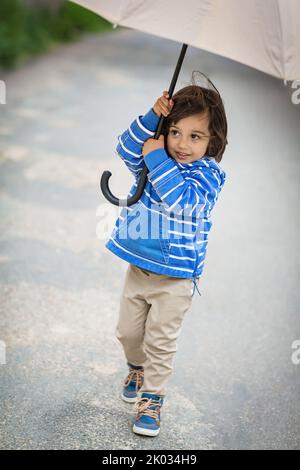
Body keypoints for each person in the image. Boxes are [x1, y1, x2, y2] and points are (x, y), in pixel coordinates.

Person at [105, 72, 228, 437]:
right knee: (128, 334)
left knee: (160, 341)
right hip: (139, 269)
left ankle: (152, 400)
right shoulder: (153, 156)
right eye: (175, 132)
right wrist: (150, 119)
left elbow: (182, 203)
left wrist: (157, 157)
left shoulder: (207, 176)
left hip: (176, 277)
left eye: (195, 136)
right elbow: (127, 149)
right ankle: (135, 367)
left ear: (213, 140)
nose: (183, 144)